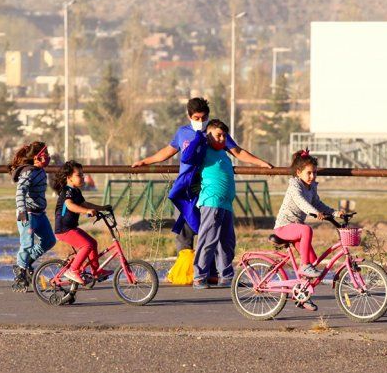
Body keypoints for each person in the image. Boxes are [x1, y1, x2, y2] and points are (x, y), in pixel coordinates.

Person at [131, 97, 272, 284]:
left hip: (210, 190)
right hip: (187, 190)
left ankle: (215, 273)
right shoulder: (183, 133)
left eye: (203, 117)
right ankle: (190, 273)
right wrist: (145, 161)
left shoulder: (215, 133)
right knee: (187, 230)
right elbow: (167, 151)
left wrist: (262, 163)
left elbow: (237, 151)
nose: (200, 121)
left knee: (217, 234)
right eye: (196, 118)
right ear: (189, 116)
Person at [273, 149, 341, 311]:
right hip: (284, 227)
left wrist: (335, 213)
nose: (312, 176)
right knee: (306, 230)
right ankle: (304, 266)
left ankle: (303, 295)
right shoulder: (294, 186)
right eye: (309, 173)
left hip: (295, 229)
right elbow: (301, 202)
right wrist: (314, 213)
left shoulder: (311, 187)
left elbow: (318, 204)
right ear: (298, 172)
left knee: (314, 261)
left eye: (315, 173)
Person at [187, 119, 238, 290]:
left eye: (224, 135)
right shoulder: (204, 150)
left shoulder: (224, 154)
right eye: (218, 135)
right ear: (209, 136)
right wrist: (198, 139)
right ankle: (199, 276)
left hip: (226, 204)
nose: (222, 139)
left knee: (227, 242)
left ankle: (226, 276)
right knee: (208, 239)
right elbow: (187, 156)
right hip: (211, 202)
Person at [51, 160, 113, 285]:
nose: (82, 177)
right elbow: (70, 205)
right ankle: (72, 270)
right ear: (69, 178)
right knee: (86, 245)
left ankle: (96, 271)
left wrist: (101, 208)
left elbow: (85, 204)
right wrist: (86, 211)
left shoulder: (76, 191)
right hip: (64, 229)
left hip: (71, 227)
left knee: (92, 243)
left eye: (82, 174)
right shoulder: (67, 191)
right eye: (79, 175)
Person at [8, 141, 56, 292]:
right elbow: (20, 191)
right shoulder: (28, 172)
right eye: (45, 155)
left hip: (40, 213)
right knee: (27, 244)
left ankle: (26, 263)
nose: (48, 157)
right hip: (27, 214)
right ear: (37, 157)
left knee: (49, 240)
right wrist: (22, 211)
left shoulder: (40, 171)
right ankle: (21, 272)